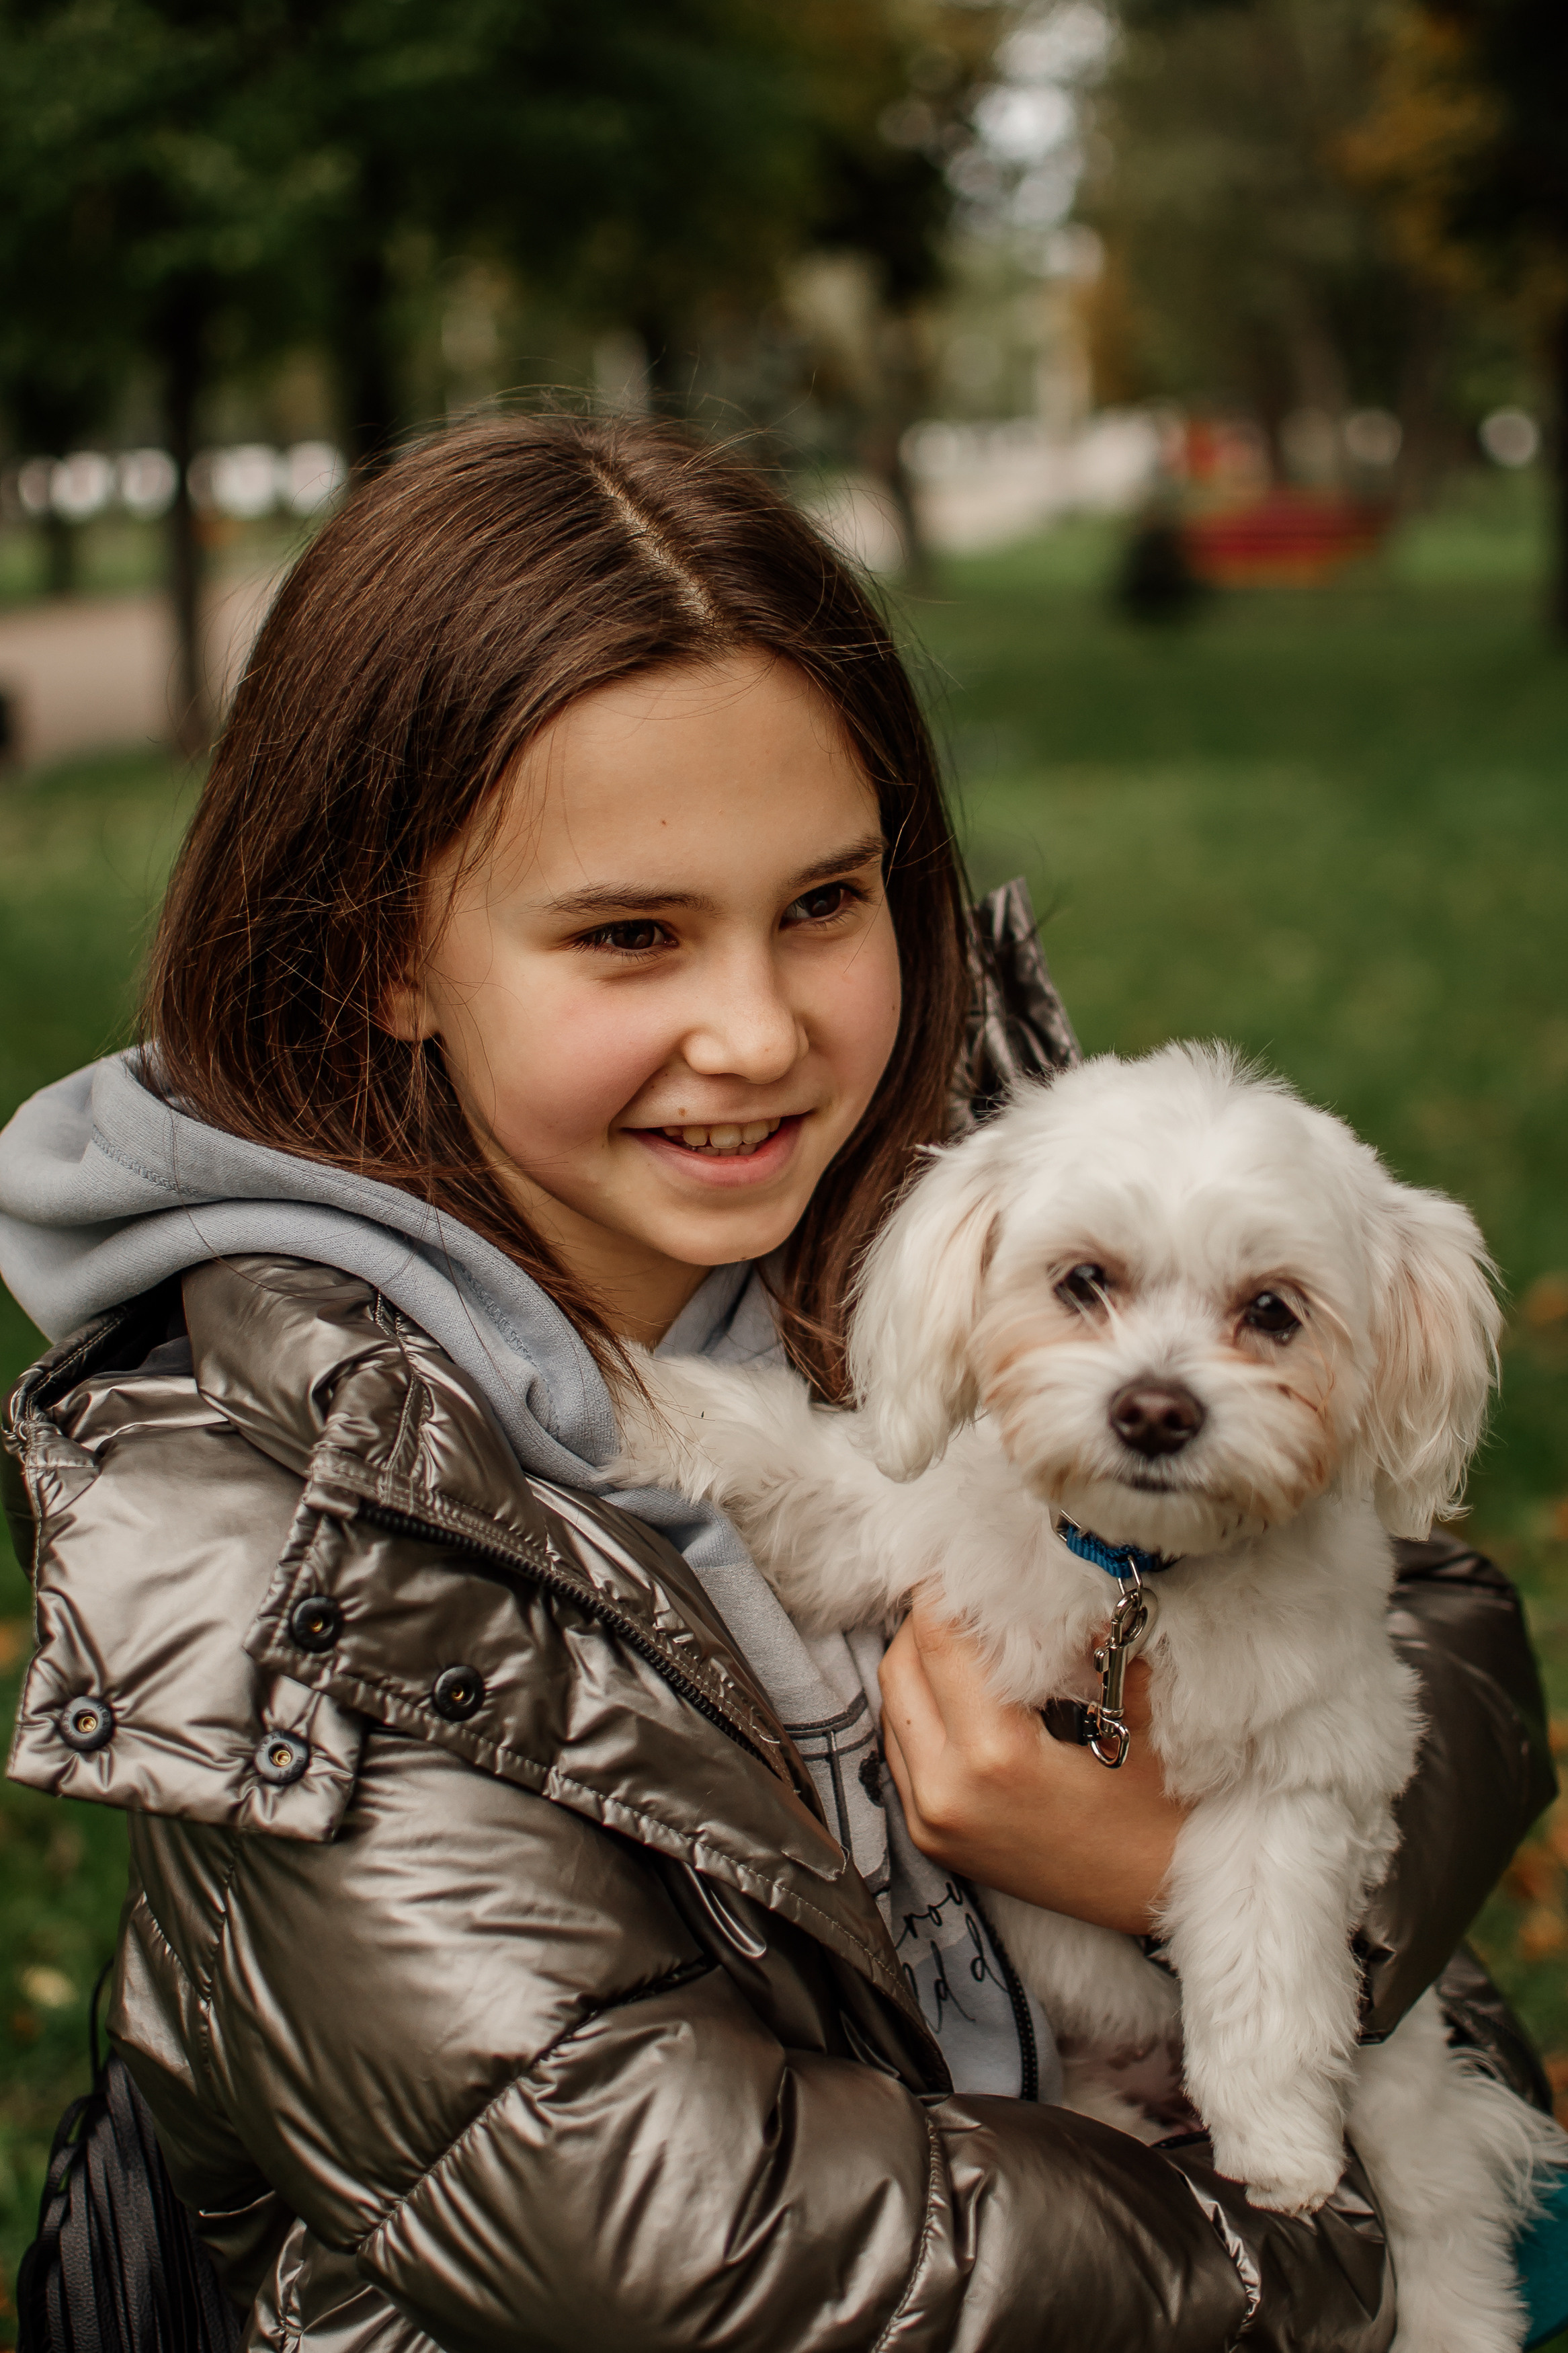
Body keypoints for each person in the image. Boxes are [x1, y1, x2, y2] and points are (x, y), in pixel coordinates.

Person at [0, 415, 1554, 2353]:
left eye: (824, 903)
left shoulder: (956, 1171)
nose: (755, 1034)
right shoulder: (300, 1506)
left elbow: (1439, 1618)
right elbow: (663, 2232)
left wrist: (1167, 1871)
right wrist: (1319, 2254)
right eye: (630, 933)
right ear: (389, 954)